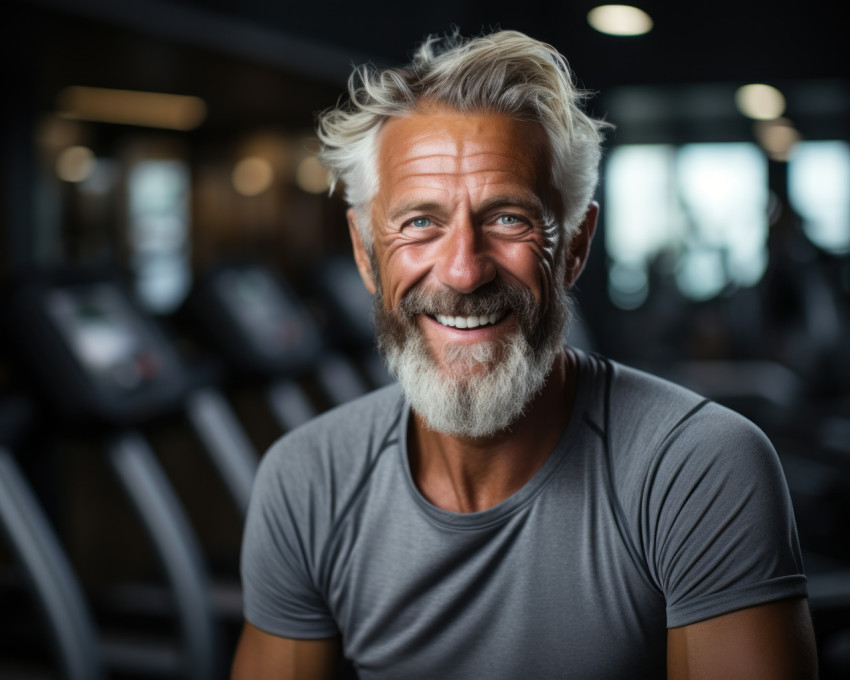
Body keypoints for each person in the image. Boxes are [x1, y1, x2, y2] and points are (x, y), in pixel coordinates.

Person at [231, 30, 817, 679]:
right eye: (420, 222)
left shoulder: (699, 468)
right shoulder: (307, 479)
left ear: (574, 244)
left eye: (508, 218)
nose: (462, 271)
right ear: (367, 252)